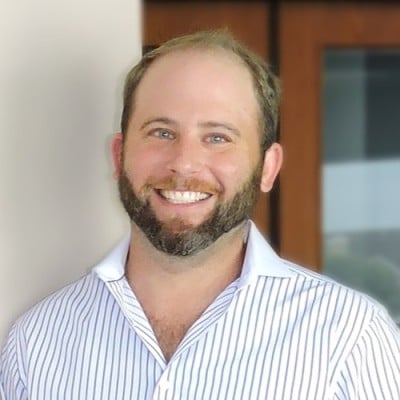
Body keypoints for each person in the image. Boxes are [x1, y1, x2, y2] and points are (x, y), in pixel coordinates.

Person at [1, 30, 399, 400]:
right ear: (120, 156)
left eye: (217, 137)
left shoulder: (350, 339)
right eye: (161, 132)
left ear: (268, 168)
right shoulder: (35, 345)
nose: (184, 163)